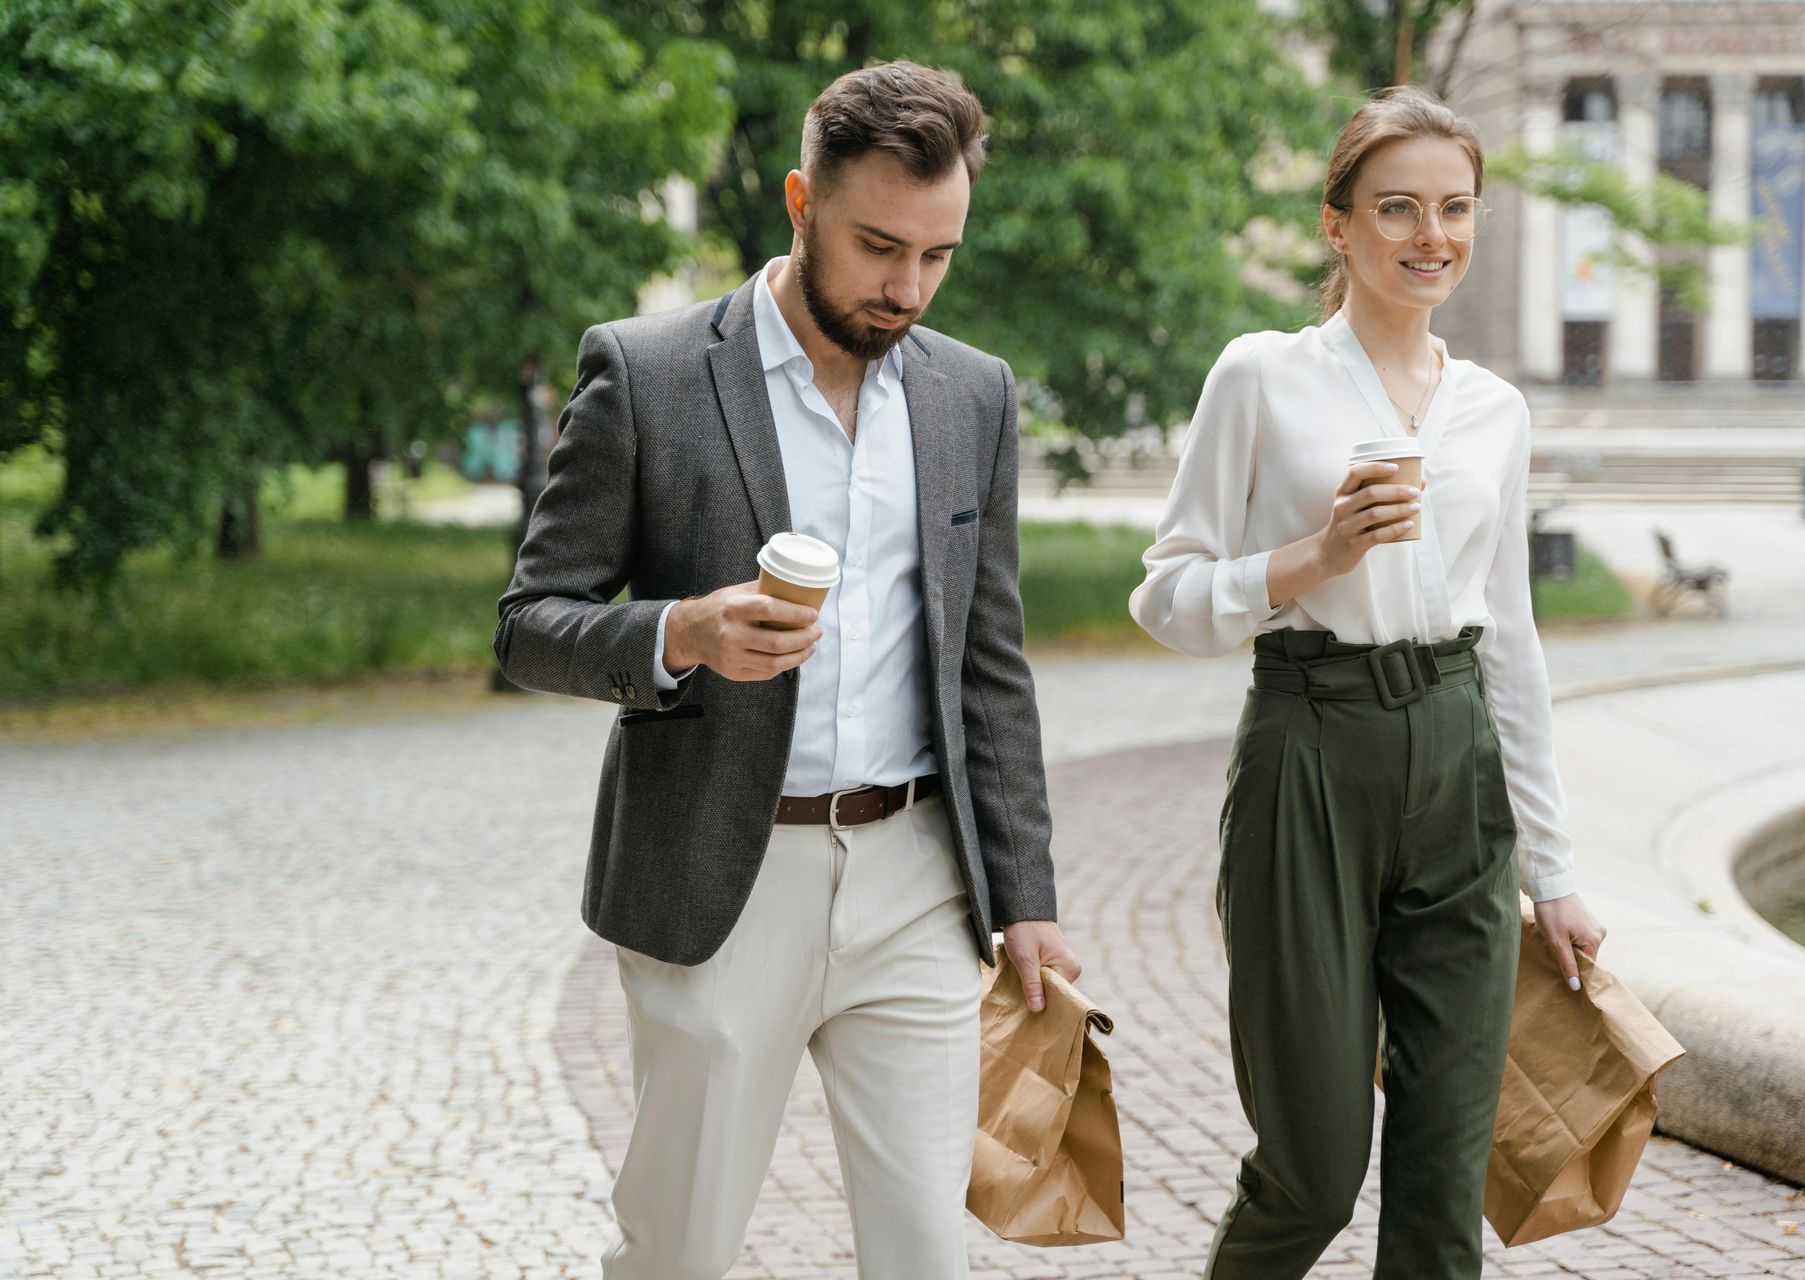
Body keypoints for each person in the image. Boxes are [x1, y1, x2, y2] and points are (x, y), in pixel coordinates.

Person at [493, 59, 1080, 1280]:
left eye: (937, 255)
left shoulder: (973, 395)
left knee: (927, 1252)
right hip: (720, 870)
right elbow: (531, 620)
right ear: (800, 204)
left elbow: (989, 661)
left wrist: (1025, 892)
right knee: (681, 1251)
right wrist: (681, 632)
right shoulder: (647, 372)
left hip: (918, 879)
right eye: (878, 247)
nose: (906, 287)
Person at [1128, 85, 1608, 1279]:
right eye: (1396, 207)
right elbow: (1165, 597)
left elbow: (1513, 645)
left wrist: (1553, 871)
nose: (1428, 235)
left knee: (1448, 1174)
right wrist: (1313, 558)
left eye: (1454, 209)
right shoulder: (1261, 376)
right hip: (1310, 745)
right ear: (1338, 224)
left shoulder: (1495, 410)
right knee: (1316, 1161)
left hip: (1458, 762)